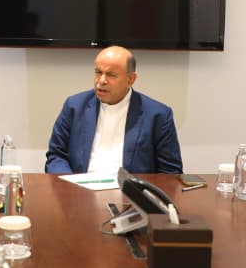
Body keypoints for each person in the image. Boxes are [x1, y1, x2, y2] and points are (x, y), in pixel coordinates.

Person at [45, 46, 183, 175]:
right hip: (79, 188)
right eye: (98, 72)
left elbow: (170, 173)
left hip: (129, 191)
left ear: (131, 79)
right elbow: (56, 155)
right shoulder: (75, 106)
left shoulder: (158, 115)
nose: (101, 81)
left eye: (111, 75)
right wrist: (70, 184)